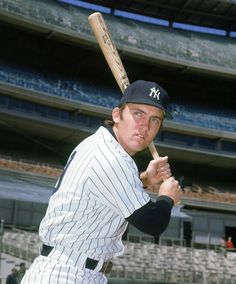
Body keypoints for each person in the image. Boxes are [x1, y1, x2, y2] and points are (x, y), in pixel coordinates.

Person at [21, 80, 182, 284]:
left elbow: (106, 196)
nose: (145, 126)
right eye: (138, 114)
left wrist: (145, 180)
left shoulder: (101, 145)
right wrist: (167, 196)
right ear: (117, 115)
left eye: (155, 120)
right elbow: (153, 223)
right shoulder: (112, 159)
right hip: (67, 273)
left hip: (73, 270)